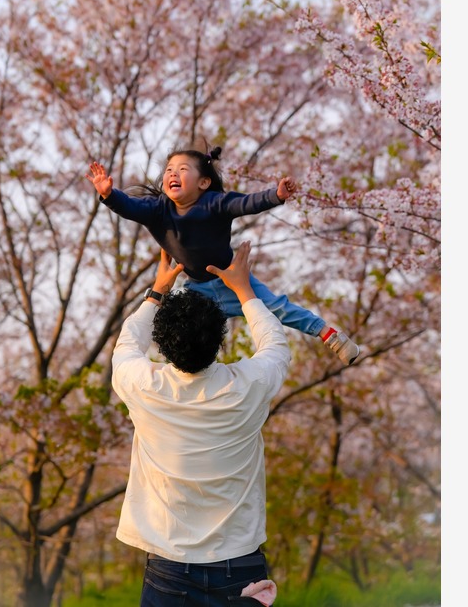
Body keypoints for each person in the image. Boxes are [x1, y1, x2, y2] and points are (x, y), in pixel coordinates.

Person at [112, 242, 286, 606]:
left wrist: (157, 291)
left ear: (163, 345)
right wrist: (243, 290)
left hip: (169, 569)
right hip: (239, 568)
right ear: (219, 341)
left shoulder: (145, 385)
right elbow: (275, 344)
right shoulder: (248, 386)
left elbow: (128, 342)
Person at [86, 147, 360, 365]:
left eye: (183, 169)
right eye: (169, 170)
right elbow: (130, 207)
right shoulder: (157, 209)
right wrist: (109, 195)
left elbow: (245, 203)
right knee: (180, 330)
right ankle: (184, 376)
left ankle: (329, 335)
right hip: (195, 289)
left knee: (276, 308)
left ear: (204, 182)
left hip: (232, 279)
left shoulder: (215, 203)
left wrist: (276, 196)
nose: (173, 174)